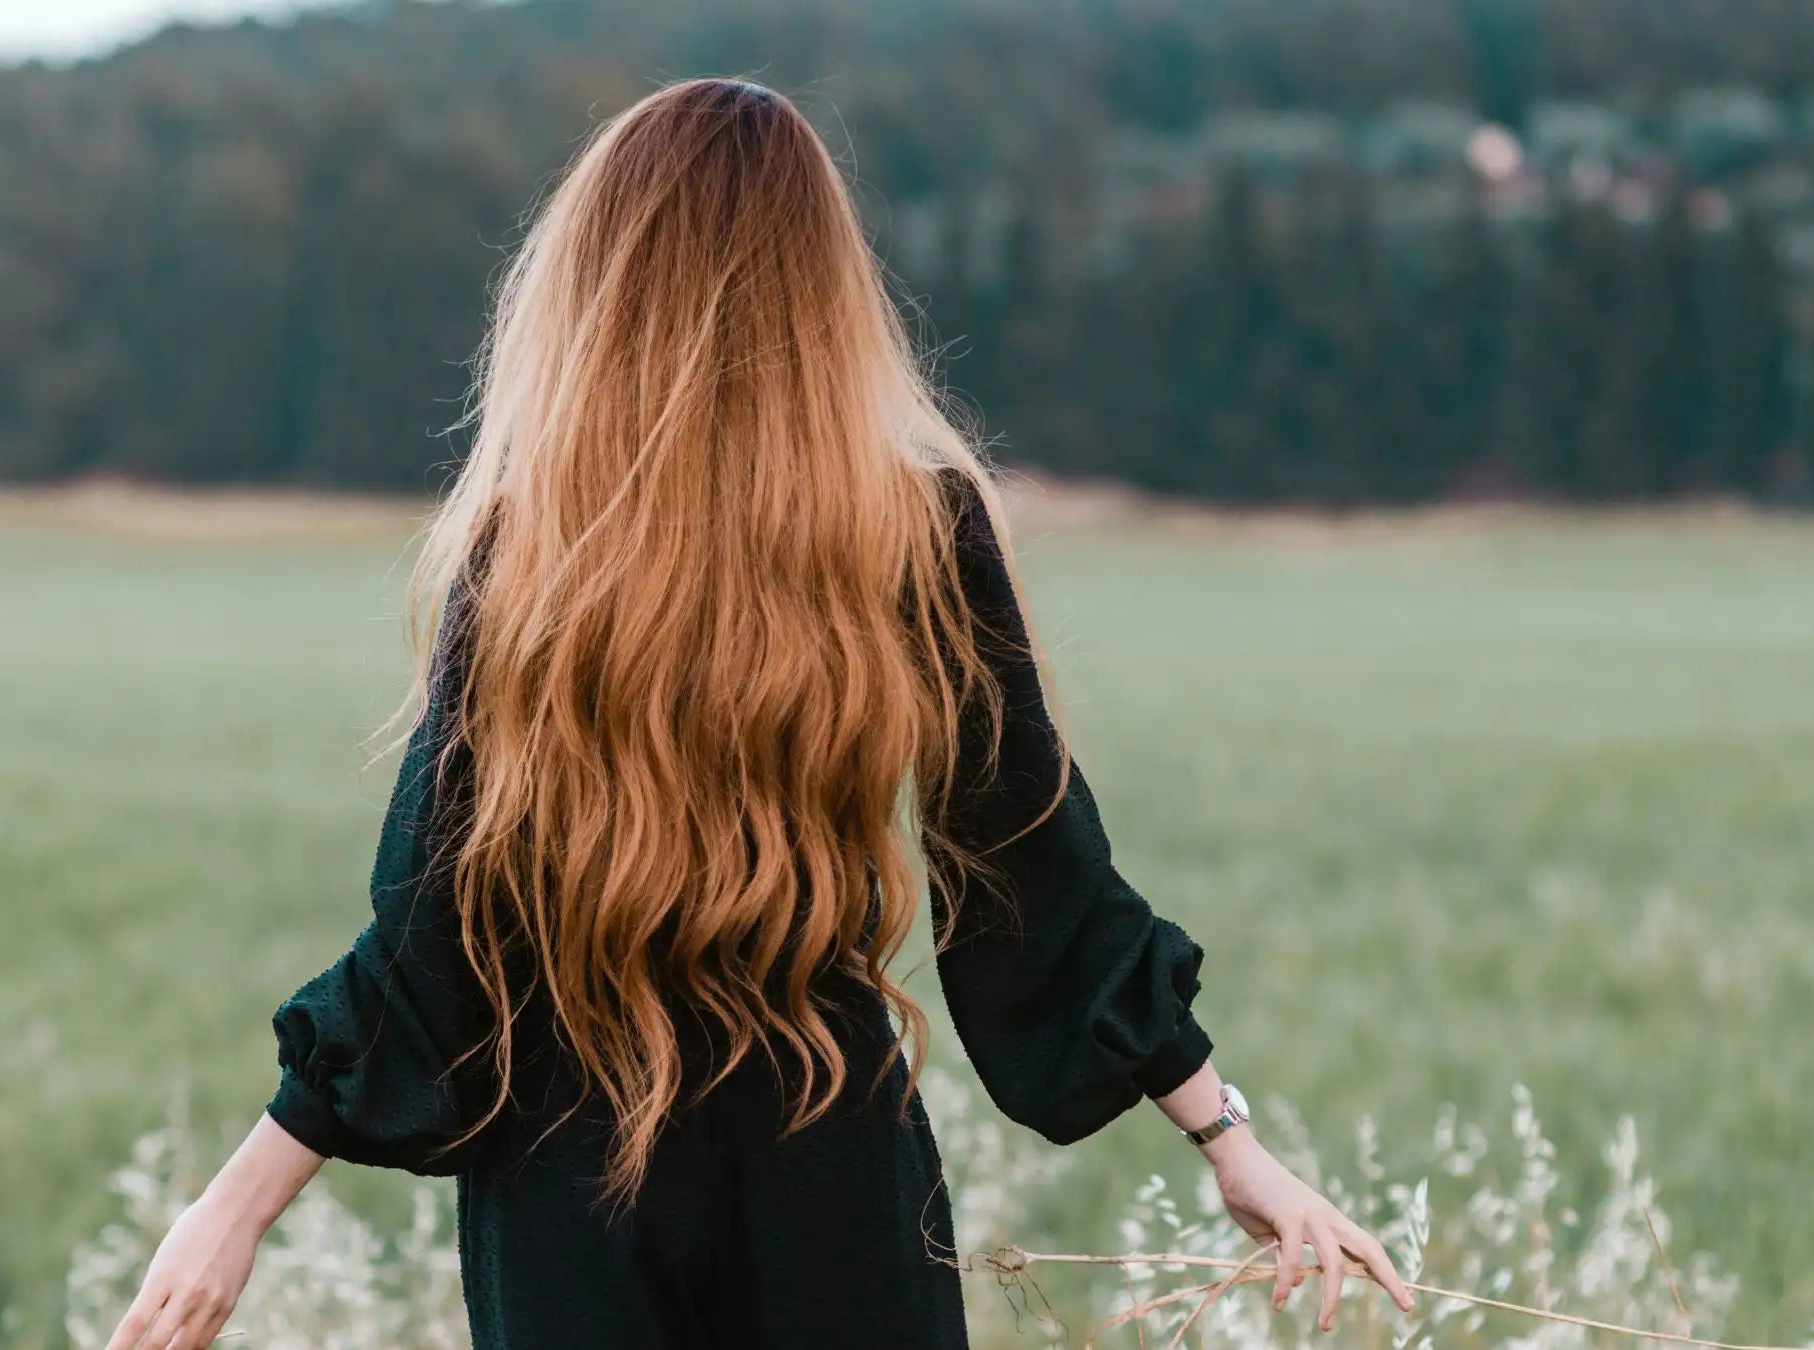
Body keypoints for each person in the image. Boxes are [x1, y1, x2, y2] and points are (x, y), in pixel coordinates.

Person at [108, 76, 1415, 1350]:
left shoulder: (532, 548)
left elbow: (434, 932)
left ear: (597, 282)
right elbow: (1038, 878)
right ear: (822, 289)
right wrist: (1228, 1140)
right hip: (830, 1155)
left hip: (569, 1189)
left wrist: (234, 1204)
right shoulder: (911, 525)